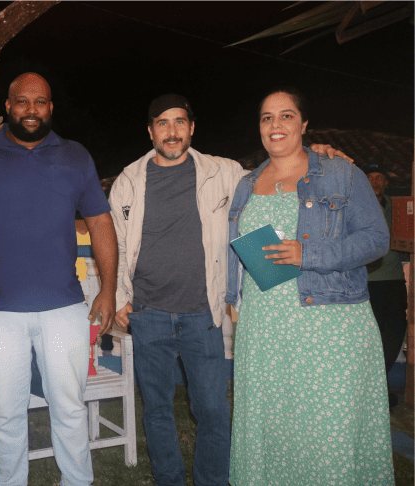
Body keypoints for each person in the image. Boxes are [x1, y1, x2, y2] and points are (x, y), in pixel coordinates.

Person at [109, 93, 351, 486]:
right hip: (147, 311)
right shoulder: (127, 181)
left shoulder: (225, 172)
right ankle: (168, 479)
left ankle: (212, 480)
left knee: (213, 410)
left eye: (180, 122)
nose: (172, 131)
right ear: (150, 131)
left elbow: (277, 174)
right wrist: (121, 299)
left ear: (192, 128)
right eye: (162, 123)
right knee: (156, 408)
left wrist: (313, 154)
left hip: (203, 313)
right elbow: (118, 244)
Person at [0, 72, 118, 486]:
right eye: (22, 101)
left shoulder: (75, 155)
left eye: (40, 102)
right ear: (7, 106)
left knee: (70, 408)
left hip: (65, 306)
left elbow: (100, 222)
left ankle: (77, 482)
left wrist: (109, 289)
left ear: (50, 107)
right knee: (6, 412)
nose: (31, 110)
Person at [225, 87, 394, 485]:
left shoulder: (341, 173)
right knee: (275, 431)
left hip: (329, 329)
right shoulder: (246, 183)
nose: (276, 124)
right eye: (267, 117)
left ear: (304, 124)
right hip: (265, 330)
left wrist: (309, 254)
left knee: (327, 433)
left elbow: (376, 240)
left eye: (286, 115)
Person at [365, 166, 409, 409]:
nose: (375, 181)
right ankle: (370, 390)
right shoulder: (358, 204)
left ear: (386, 182)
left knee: (394, 332)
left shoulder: (398, 207)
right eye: (370, 177)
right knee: (369, 336)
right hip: (366, 281)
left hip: (393, 279)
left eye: (379, 177)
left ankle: (378, 385)